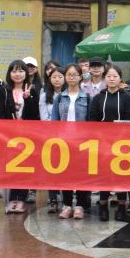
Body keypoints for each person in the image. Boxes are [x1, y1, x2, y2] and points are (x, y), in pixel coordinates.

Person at [89, 65, 130, 221]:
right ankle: (103, 205)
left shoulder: (127, 98)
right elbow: (92, 120)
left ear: (120, 78)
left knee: (122, 173)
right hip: (102, 142)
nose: (111, 79)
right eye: (108, 76)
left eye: (115, 76)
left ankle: (122, 206)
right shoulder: (98, 98)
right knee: (104, 173)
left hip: (123, 143)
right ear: (104, 78)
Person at [0, 59, 40, 213]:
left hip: (27, 137)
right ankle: (11, 199)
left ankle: (20, 199)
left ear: (26, 73)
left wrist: (28, 99)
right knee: (11, 168)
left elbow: (35, 116)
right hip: (8, 137)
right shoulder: (4, 90)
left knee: (24, 168)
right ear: (9, 73)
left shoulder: (32, 90)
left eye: (21, 71)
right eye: (14, 71)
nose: (17, 74)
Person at [52, 64, 91, 219]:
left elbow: (90, 122)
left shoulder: (87, 97)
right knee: (66, 173)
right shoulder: (59, 97)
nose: (72, 77)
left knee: (81, 173)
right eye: (69, 74)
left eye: (75, 74)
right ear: (65, 77)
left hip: (82, 141)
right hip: (64, 140)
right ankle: (67, 204)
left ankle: (80, 205)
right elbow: (54, 120)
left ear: (80, 77)